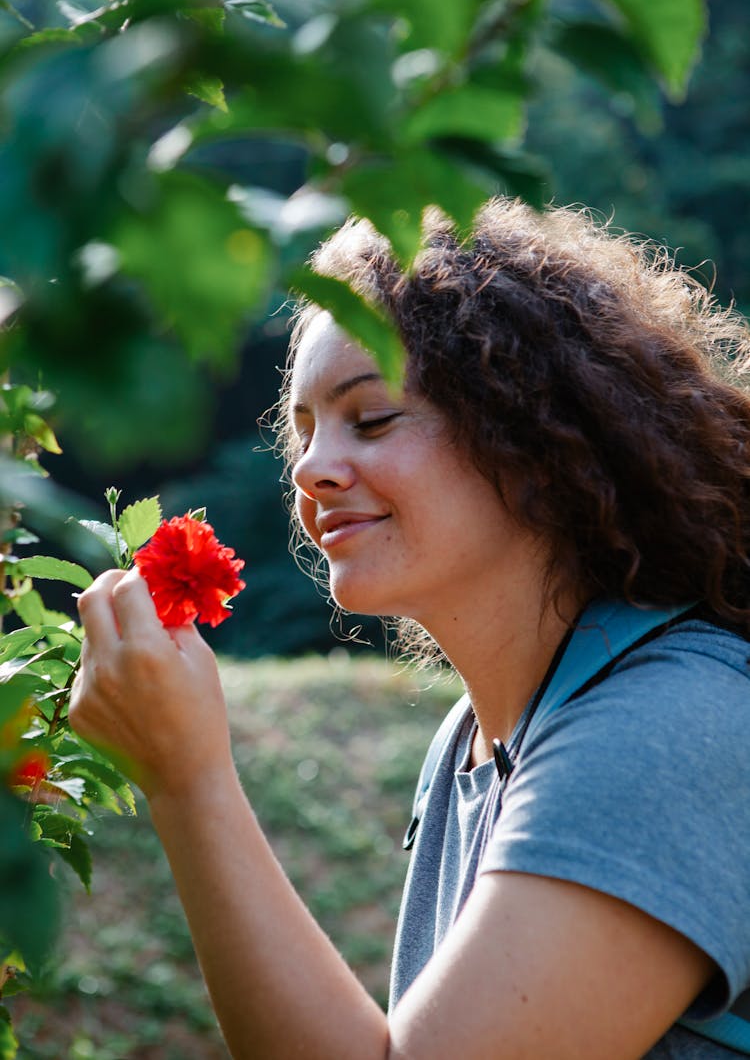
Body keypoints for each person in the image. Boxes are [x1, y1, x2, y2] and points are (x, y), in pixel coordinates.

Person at [69, 197, 750, 1059]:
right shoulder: (466, 743)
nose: (311, 469)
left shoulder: (669, 727)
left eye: (374, 417)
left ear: (537, 437)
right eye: (303, 431)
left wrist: (188, 779)